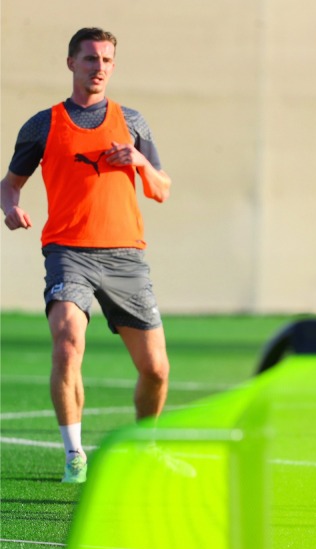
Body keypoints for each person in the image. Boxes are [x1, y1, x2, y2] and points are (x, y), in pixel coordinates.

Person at [1, 27, 176, 484]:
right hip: (68, 252)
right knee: (67, 342)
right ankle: (74, 453)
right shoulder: (43, 124)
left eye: (106, 61)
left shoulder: (132, 122)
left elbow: (161, 189)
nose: (98, 68)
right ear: (71, 63)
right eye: (90, 59)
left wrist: (138, 162)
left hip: (126, 258)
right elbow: (10, 183)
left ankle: (147, 446)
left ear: (113, 66)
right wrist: (10, 207)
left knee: (156, 369)